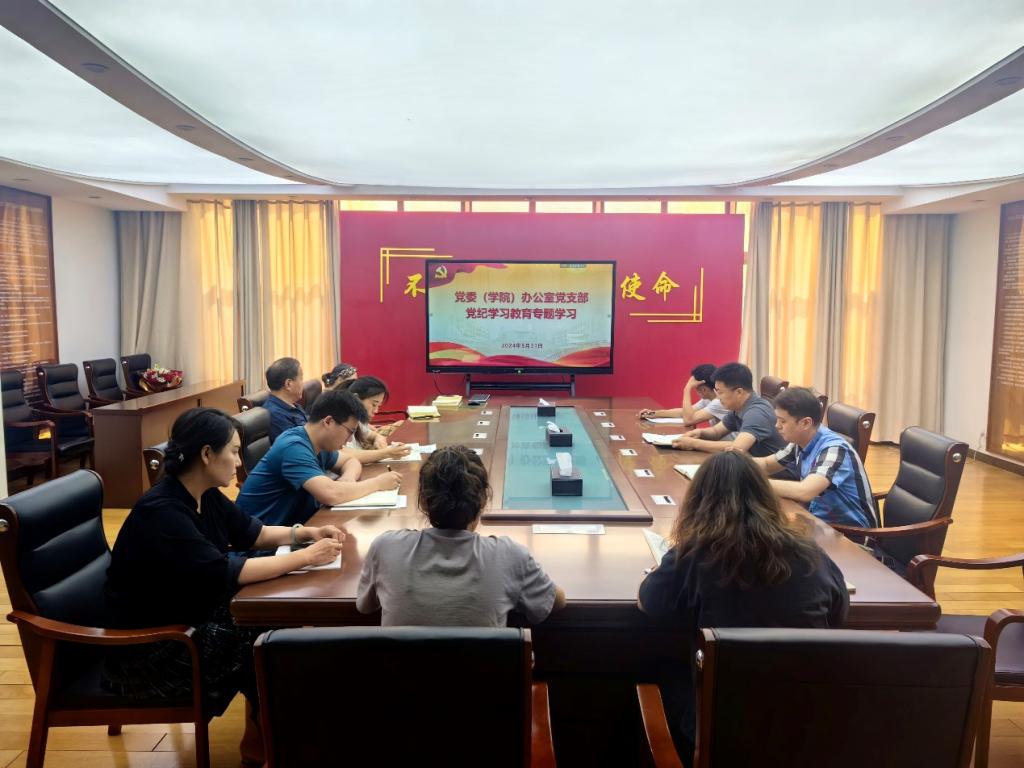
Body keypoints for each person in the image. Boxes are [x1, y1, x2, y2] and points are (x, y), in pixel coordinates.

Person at [103, 408, 346, 765]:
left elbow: (255, 533)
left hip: (185, 618)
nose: (239, 461)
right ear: (206, 454)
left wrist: (306, 533)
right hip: (151, 652)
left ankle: (270, 732)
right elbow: (228, 572)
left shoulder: (204, 494)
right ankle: (272, 738)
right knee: (265, 637)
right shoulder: (163, 512)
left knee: (272, 623)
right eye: (233, 451)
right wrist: (307, 557)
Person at [638, 451, 849, 765]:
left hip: (718, 733)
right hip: (804, 728)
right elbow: (839, 615)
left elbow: (649, 602)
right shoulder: (810, 552)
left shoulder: (694, 552)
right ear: (766, 496)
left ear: (699, 501)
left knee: (657, 673)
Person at [356, 445, 567, 626]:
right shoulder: (510, 555)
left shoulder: (386, 547)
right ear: (483, 500)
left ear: (423, 501)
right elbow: (556, 602)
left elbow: (365, 607)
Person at [236, 389, 402, 526]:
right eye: (350, 431)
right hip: (262, 546)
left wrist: (348, 479)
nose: (350, 439)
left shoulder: (317, 441)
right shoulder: (294, 447)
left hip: (297, 529)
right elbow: (330, 494)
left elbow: (351, 461)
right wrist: (377, 483)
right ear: (328, 422)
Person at [752, 387, 877, 528]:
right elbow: (767, 464)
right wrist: (736, 463)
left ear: (805, 423)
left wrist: (753, 482)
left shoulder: (834, 449)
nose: (777, 426)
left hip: (851, 534)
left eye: (783, 421)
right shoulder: (800, 441)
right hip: (818, 522)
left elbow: (805, 491)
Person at [670, 362, 787, 457]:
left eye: (720, 392)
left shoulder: (756, 412)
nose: (718, 397)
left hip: (772, 474)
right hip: (753, 466)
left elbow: (737, 448)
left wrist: (693, 443)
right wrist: (699, 433)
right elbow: (716, 432)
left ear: (739, 392)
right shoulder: (738, 408)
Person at [339, 376, 412, 463]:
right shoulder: (340, 420)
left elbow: (369, 434)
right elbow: (343, 454)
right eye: (374, 405)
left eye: (378, 406)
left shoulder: (356, 419)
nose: (376, 411)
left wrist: (378, 438)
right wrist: (387, 453)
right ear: (356, 398)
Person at [638, 363, 731, 426]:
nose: (694, 389)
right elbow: (684, 412)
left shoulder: (718, 403)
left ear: (704, 389)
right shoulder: (708, 399)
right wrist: (653, 413)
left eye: (694, 387)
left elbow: (688, 420)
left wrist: (687, 389)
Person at [264, 357, 307, 443]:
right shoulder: (276, 416)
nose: (303, 383)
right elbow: (298, 446)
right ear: (288, 384)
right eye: (301, 378)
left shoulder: (293, 405)